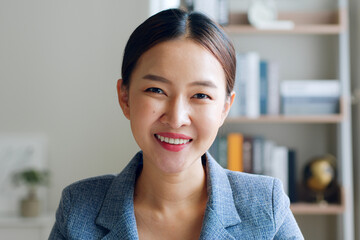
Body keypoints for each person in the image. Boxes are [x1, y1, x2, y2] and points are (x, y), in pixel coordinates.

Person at [49, 8, 303, 240]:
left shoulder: (266, 206)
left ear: (225, 107)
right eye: (156, 90)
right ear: (125, 98)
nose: (176, 118)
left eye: (200, 95)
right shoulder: (78, 209)